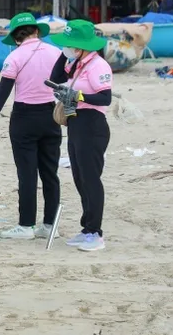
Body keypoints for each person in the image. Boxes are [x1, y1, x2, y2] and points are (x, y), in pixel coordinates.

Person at [0, 13, 62, 240]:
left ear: (15, 36)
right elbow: (65, 86)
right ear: (36, 31)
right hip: (51, 116)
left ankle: (25, 226)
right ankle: (50, 225)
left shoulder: (14, 58)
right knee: (50, 173)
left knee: (27, 174)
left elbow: (2, 95)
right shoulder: (56, 53)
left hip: (24, 118)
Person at [47, 19, 112, 253]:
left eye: (70, 44)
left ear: (83, 45)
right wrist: (65, 53)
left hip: (92, 125)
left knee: (91, 178)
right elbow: (55, 75)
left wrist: (79, 96)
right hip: (75, 123)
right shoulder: (77, 63)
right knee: (79, 177)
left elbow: (105, 98)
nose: (67, 48)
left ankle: (96, 232)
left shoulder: (98, 66)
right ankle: (86, 228)